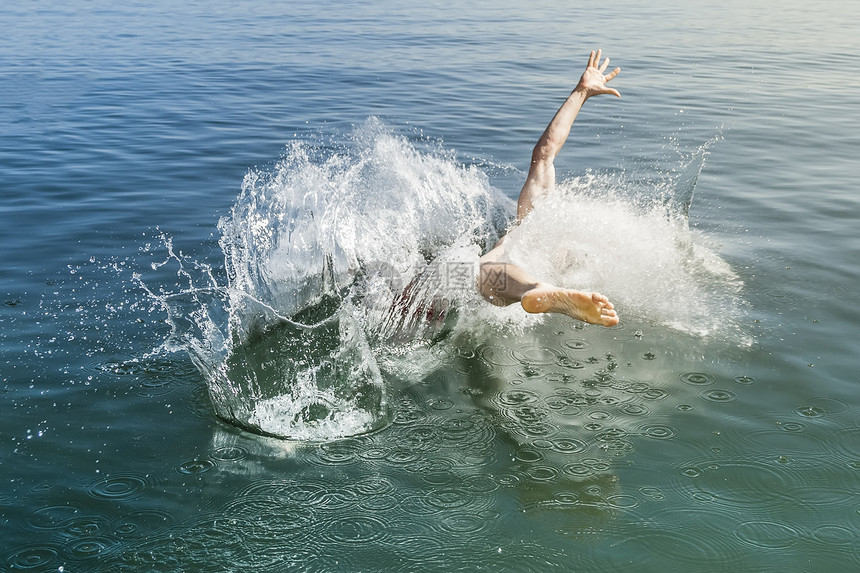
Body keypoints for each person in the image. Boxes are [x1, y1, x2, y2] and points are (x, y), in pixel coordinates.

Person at [477, 49, 621, 327]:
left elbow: (544, 151)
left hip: (518, 270)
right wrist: (583, 91)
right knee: (494, 268)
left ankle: (535, 290)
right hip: (555, 270)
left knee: (482, 270)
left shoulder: (532, 218)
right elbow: (545, 152)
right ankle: (539, 291)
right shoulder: (563, 230)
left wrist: (580, 91)